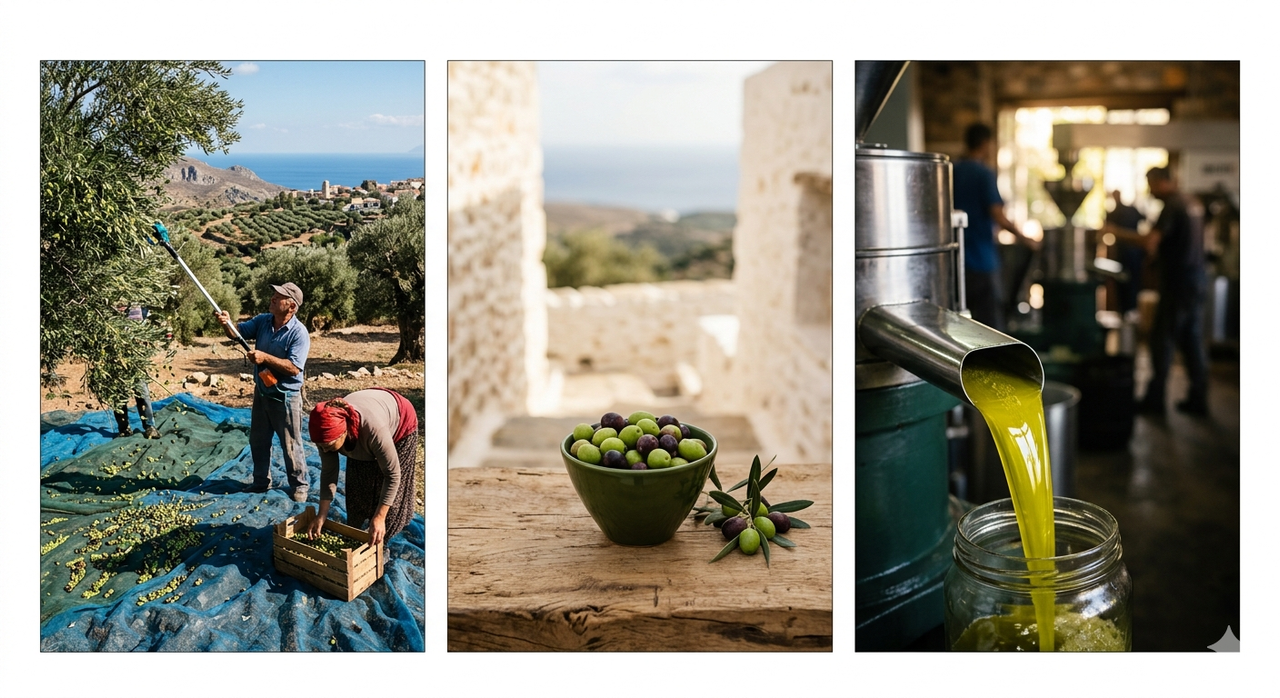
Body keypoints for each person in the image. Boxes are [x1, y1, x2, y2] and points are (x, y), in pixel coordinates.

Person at [215, 282, 312, 501]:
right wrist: (226, 323)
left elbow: (294, 368)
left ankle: (299, 486)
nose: (273, 299)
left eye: (279, 297)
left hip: (285, 397)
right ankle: (260, 482)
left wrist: (264, 357)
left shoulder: (299, 333)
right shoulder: (263, 321)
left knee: (291, 444)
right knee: (258, 440)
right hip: (262, 392)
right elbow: (237, 333)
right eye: (273, 295)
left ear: (292, 307)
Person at [953, 123, 1040, 331]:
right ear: (985, 144)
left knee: (961, 326)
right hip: (981, 261)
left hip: (955, 263)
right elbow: (998, 215)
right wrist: (1025, 239)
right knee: (990, 328)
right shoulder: (984, 174)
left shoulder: (952, 171)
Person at [1137, 166, 1210, 416]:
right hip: (1197, 281)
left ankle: (1155, 399)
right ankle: (1198, 398)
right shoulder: (1192, 202)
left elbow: (1150, 241)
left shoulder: (1172, 206)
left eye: (1151, 184)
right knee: (1192, 340)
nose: (1150, 190)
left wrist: (1115, 233)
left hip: (1178, 283)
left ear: (1161, 181)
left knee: (1162, 340)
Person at [305, 389, 419, 546]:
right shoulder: (324, 436)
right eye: (321, 446)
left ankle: (382, 542)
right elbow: (329, 472)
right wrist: (322, 515)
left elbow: (393, 475)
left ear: (344, 433)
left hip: (400, 423)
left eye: (329, 446)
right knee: (357, 489)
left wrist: (379, 517)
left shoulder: (373, 430)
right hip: (367, 421)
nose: (324, 450)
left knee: (389, 505)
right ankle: (357, 535)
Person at [114, 304, 160, 439]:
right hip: (116, 356)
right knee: (119, 393)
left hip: (136, 356)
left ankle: (149, 426)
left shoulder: (139, 307)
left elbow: (145, 327)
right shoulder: (112, 304)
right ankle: (124, 428)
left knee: (142, 391)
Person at [1104, 190, 1147, 316]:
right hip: (1132, 252)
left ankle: (1127, 311)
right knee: (1130, 282)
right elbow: (1144, 219)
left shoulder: (1114, 213)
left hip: (1126, 252)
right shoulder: (1130, 209)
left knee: (1126, 282)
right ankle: (1130, 311)